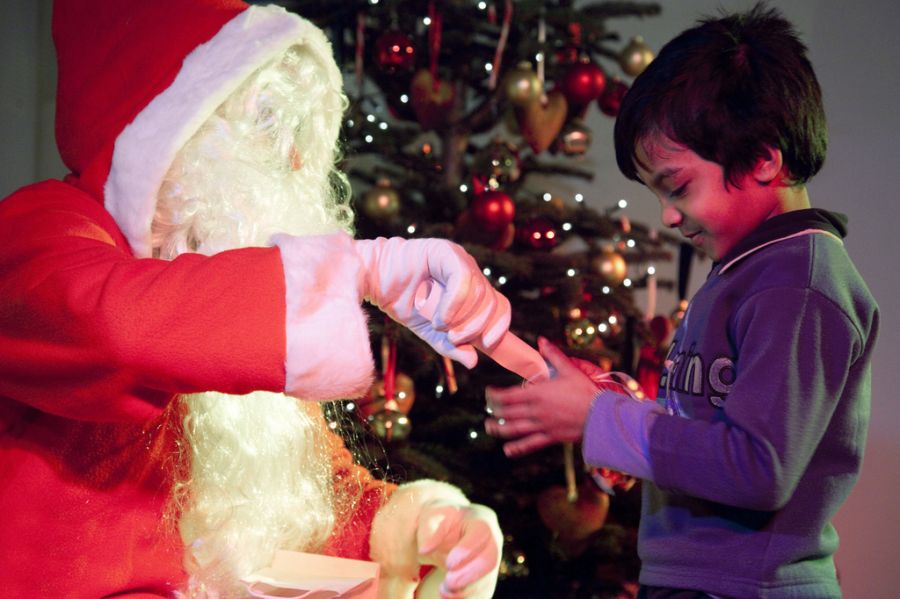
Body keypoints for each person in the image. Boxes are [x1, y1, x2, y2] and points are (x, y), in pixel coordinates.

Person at [0, 0, 510, 597]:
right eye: (265, 125)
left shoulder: (246, 295)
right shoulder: (44, 227)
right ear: (166, 127)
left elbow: (300, 509)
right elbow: (110, 326)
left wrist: (422, 530)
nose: (292, 165)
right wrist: (356, 269)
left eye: (299, 134)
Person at [485, 4, 879, 598]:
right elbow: (709, 429)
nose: (667, 215)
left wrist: (601, 421)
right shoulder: (751, 268)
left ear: (762, 160)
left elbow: (758, 467)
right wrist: (609, 403)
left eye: (677, 187)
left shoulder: (798, 283)